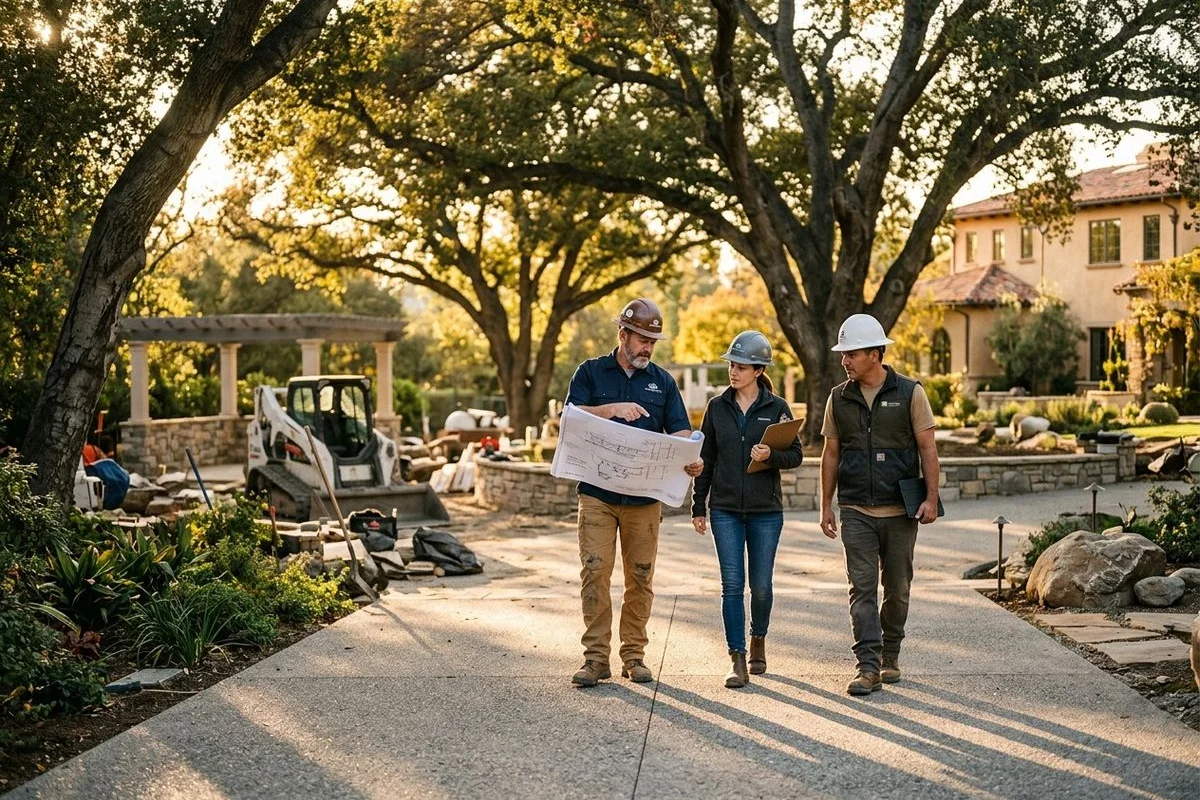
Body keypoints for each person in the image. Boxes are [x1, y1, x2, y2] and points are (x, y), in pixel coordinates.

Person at [565, 297, 704, 687]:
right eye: (642, 339)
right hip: (597, 494)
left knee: (640, 577)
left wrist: (691, 457)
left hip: (644, 498)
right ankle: (595, 660)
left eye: (653, 342)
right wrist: (610, 409)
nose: (648, 348)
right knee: (595, 571)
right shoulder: (590, 372)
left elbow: (679, 431)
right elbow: (568, 417)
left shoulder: (663, 382)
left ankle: (634, 656)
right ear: (623, 334)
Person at [819, 314, 940, 696]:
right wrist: (826, 505)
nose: (844, 361)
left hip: (900, 511)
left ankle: (891, 653)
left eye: (851, 354)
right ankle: (867, 666)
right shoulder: (838, 397)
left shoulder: (910, 393)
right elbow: (830, 453)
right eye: (843, 354)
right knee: (862, 589)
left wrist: (931, 498)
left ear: (875, 354)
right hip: (856, 509)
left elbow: (928, 449)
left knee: (898, 589)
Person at [691, 331, 802, 688]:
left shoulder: (777, 408)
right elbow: (706, 459)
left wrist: (771, 456)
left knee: (762, 587)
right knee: (732, 585)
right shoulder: (716, 407)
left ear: (758, 370)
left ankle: (758, 639)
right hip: (724, 509)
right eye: (731, 365)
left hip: (765, 511)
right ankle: (736, 658)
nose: (733, 372)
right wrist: (698, 506)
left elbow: (796, 455)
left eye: (741, 366)